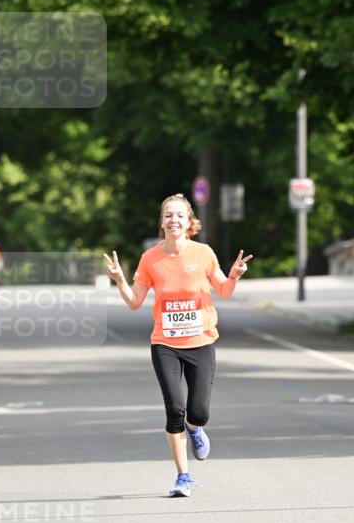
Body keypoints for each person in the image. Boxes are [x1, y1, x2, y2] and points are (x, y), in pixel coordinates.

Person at [103, 193, 252, 497]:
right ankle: (183, 476)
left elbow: (223, 291)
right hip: (165, 344)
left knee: (198, 412)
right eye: (168, 215)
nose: (174, 220)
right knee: (174, 410)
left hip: (201, 341)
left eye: (180, 216)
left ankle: (196, 429)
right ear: (161, 222)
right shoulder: (150, 259)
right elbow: (134, 303)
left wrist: (234, 276)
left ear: (189, 223)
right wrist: (119, 280)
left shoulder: (203, 253)